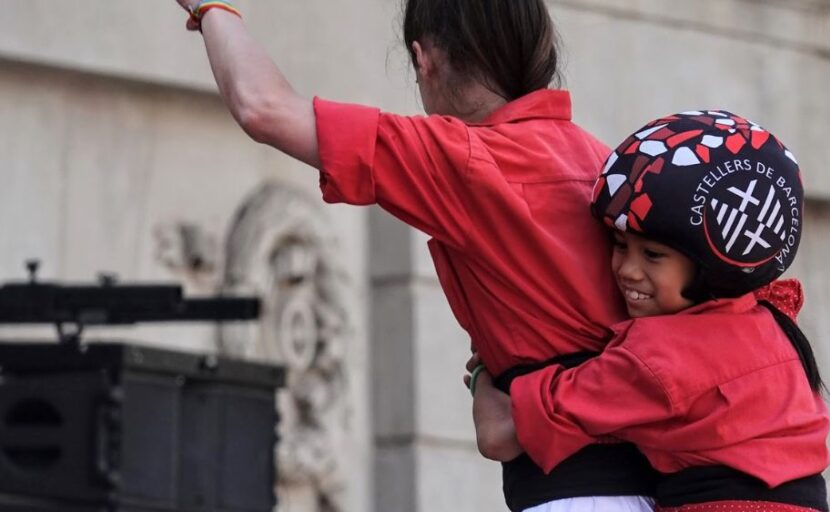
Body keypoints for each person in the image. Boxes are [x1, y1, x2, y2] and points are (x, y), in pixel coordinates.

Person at [171, 0, 658, 510]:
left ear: (424, 59)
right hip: (655, 487)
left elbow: (263, 107)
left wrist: (212, 8)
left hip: (573, 495)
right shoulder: (606, 161)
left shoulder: (463, 158)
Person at [469, 110, 830, 512]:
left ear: (710, 268)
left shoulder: (659, 362)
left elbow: (498, 435)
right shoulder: (770, 327)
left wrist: (486, 371)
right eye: (620, 245)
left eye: (653, 255)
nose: (627, 270)